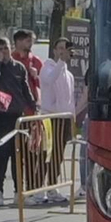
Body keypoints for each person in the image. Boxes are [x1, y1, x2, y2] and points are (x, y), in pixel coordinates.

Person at [0, 36, 36, 206]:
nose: (4, 52)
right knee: (0, 156)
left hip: (16, 117)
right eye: (0, 49)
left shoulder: (18, 67)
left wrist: (32, 107)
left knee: (18, 156)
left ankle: (18, 191)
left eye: (5, 48)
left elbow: (25, 89)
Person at [37, 38, 80, 205]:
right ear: (54, 50)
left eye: (66, 48)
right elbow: (49, 80)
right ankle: (38, 189)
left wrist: (72, 120)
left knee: (58, 155)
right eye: (60, 48)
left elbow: (70, 101)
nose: (63, 51)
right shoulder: (47, 68)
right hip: (50, 118)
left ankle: (52, 186)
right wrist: (61, 61)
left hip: (63, 119)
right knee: (45, 154)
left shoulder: (69, 75)